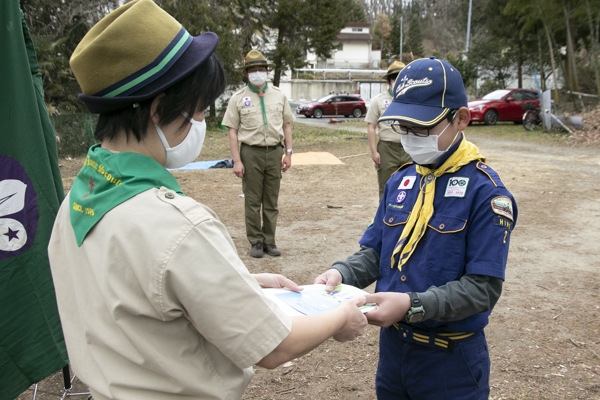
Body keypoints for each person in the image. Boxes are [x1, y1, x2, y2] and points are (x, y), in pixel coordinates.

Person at [47, 1, 367, 399]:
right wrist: (340, 317)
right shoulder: (177, 226)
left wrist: (241, 281)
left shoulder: (77, 203)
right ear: (160, 108)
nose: (199, 124)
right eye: (197, 112)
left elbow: (135, 295)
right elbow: (273, 345)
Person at [314, 56, 518, 399]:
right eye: (403, 128)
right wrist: (340, 274)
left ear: (461, 119)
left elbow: (483, 289)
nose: (410, 138)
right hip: (394, 353)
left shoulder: (487, 194)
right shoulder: (402, 180)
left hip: (450, 362)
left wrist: (413, 305)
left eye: (422, 128)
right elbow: (376, 251)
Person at [222, 50, 294, 258]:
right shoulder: (238, 98)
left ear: (267, 72)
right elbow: (232, 131)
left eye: (261, 69)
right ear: (246, 74)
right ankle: (255, 241)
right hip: (250, 153)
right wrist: (237, 160)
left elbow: (287, 125)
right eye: (253, 70)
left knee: (271, 200)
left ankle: (269, 241)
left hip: (274, 152)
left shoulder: (279, 96)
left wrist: (288, 153)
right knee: (253, 200)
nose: (257, 74)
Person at [365, 60, 412, 199]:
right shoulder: (379, 100)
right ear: (389, 81)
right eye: (394, 78)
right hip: (387, 148)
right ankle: (384, 218)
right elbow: (371, 126)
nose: (397, 82)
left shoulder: (412, 100)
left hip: (409, 147)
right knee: (386, 186)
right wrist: (374, 152)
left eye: (401, 78)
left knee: (411, 186)